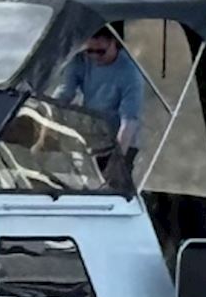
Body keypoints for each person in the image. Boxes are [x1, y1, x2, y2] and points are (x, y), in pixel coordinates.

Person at [55, 27, 145, 187]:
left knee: (112, 187)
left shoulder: (131, 74)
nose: (94, 56)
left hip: (120, 141)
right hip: (90, 138)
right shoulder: (81, 60)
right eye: (90, 50)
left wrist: (116, 161)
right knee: (81, 187)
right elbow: (64, 93)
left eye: (101, 51)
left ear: (115, 43)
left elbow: (129, 122)